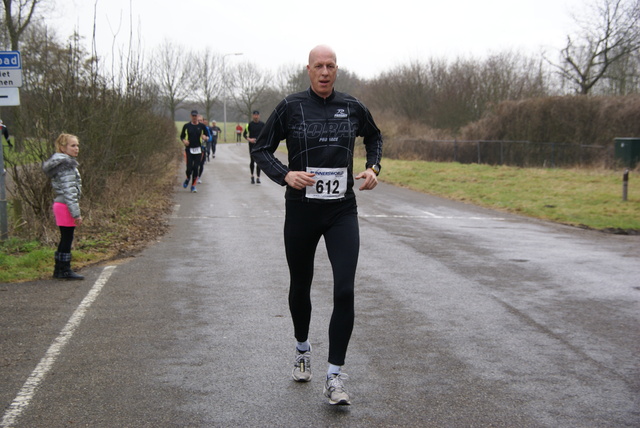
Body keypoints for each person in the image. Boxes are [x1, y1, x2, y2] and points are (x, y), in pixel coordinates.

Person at [251, 45, 383, 405]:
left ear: (336, 70)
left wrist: (373, 168)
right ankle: (302, 348)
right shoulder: (290, 106)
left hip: (342, 210)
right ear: (308, 69)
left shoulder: (353, 106)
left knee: (344, 290)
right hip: (301, 210)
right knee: (301, 284)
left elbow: (374, 136)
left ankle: (335, 376)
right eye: (318, 66)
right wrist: (285, 174)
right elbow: (261, 149)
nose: (324, 72)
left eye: (330, 66)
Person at [42, 133, 85, 280]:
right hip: (65, 205)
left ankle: (59, 269)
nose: (76, 148)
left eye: (77, 145)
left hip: (61, 204)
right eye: (72, 145)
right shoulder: (66, 166)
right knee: (67, 238)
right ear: (62, 147)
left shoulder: (62, 164)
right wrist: (76, 214)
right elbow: (69, 192)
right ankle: (65, 270)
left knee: (65, 237)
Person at [180, 110, 209, 193]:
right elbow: (182, 136)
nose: (194, 117)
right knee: (189, 168)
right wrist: (184, 141)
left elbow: (207, 136)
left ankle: (193, 186)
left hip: (198, 150)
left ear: (197, 116)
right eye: (193, 116)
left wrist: (205, 137)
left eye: (195, 116)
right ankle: (188, 178)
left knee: (196, 168)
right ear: (190, 116)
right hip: (189, 149)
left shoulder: (202, 126)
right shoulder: (186, 126)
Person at [243, 110, 265, 184]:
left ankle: (258, 177)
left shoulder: (262, 124)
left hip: (259, 145)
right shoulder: (249, 125)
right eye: (254, 115)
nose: (256, 116)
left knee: (259, 161)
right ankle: (252, 176)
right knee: (252, 161)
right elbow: (244, 134)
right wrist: (249, 139)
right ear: (253, 116)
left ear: (259, 116)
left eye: (257, 115)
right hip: (252, 145)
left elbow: (266, 134)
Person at [197, 115, 211, 183]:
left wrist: (206, 138)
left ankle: (199, 177)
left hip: (203, 147)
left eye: (201, 120)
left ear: (203, 121)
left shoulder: (205, 128)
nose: (199, 121)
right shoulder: (193, 127)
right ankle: (195, 175)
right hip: (195, 148)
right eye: (198, 120)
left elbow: (209, 137)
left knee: (201, 164)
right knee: (195, 164)